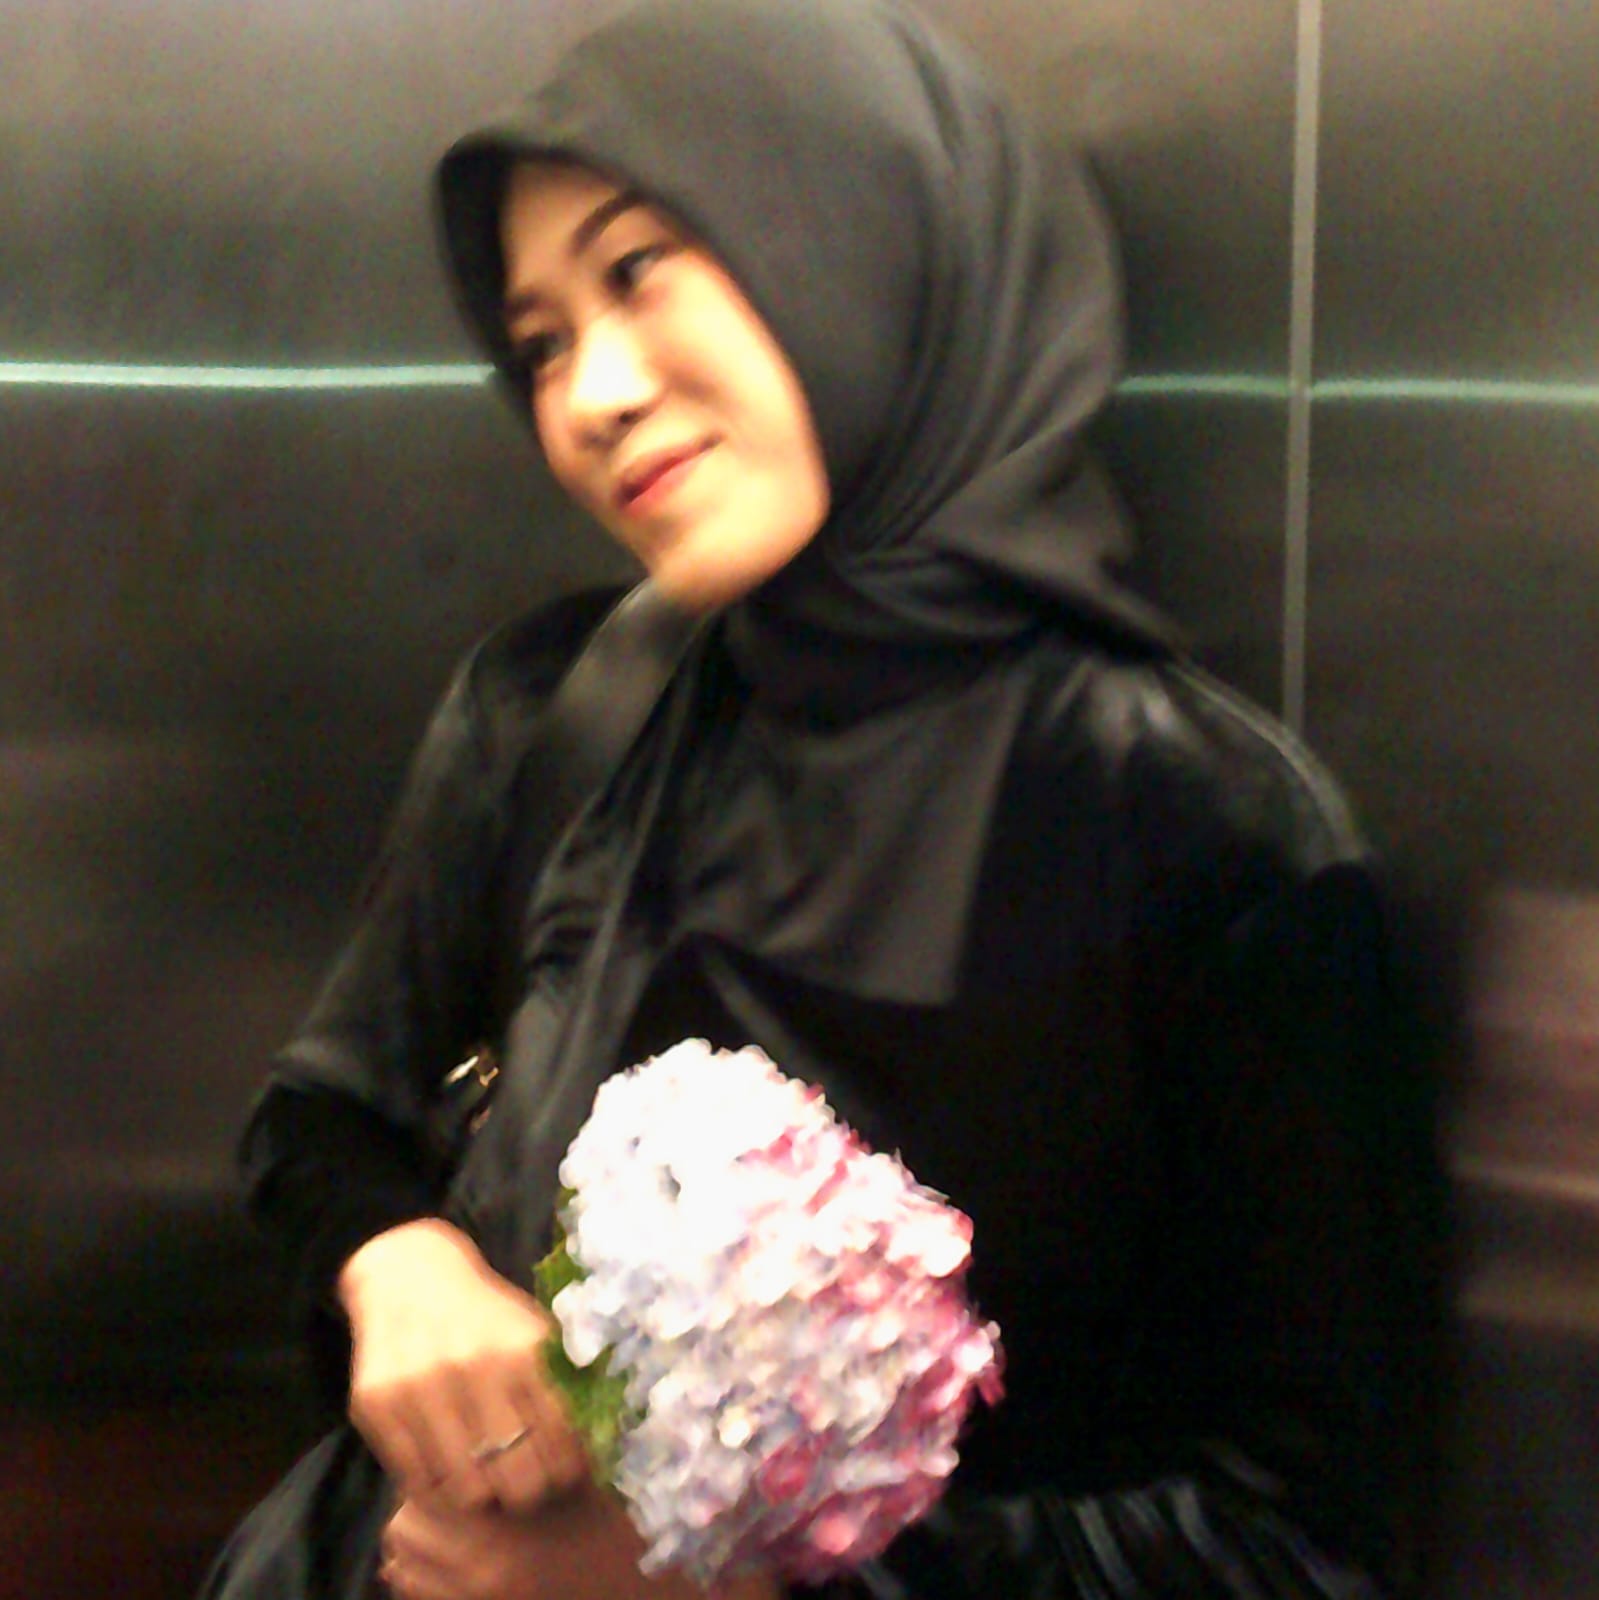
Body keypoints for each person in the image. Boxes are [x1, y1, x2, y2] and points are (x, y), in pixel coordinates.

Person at [221, 1, 1442, 1596]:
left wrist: (705, 1585)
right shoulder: (555, 710)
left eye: (636, 269)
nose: (590, 395)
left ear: (855, 228)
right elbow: (325, 1116)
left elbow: (1302, 1547)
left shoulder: (1201, 836)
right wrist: (395, 1264)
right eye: (539, 343)